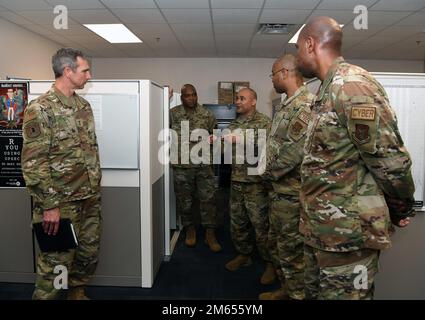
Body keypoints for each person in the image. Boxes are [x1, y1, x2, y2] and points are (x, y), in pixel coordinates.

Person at [295, 16, 415, 299]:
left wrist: (401, 206)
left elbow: (388, 159)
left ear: (310, 44)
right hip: (321, 232)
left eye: (299, 48)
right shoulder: (325, 90)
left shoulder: (351, 86)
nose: (297, 57)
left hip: (348, 236)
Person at [21, 48, 102, 300]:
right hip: (60, 205)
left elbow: (89, 149)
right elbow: (34, 162)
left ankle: (77, 293)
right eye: (85, 70)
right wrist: (50, 205)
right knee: (54, 266)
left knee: (87, 255)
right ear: (68, 71)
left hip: (89, 198)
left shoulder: (83, 106)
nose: (89, 75)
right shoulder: (41, 109)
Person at [259, 54, 315, 300]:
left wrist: (265, 174)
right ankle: (286, 289)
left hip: (293, 196)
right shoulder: (286, 104)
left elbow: (293, 153)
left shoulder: (304, 105)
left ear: (284, 72)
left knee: (292, 253)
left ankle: (296, 295)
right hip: (279, 193)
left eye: (272, 74)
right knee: (279, 247)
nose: (272, 79)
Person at [222, 88, 275, 285]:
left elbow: (269, 146)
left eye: (242, 98)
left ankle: (270, 263)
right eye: (237, 98)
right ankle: (244, 255)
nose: (238, 101)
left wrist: (240, 138)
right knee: (237, 223)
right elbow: (227, 150)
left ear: (253, 101)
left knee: (261, 226)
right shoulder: (234, 123)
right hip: (236, 180)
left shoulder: (264, 122)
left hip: (256, 184)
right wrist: (217, 141)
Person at [169, 84, 221, 252]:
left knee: (209, 199)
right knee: (185, 201)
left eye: (194, 95)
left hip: (203, 165)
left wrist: (214, 139)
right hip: (182, 166)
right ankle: (190, 230)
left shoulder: (207, 114)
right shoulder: (173, 113)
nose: (191, 98)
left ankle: (210, 233)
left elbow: (215, 134)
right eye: (187, 95)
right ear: (182, 97)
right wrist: (165, 98)